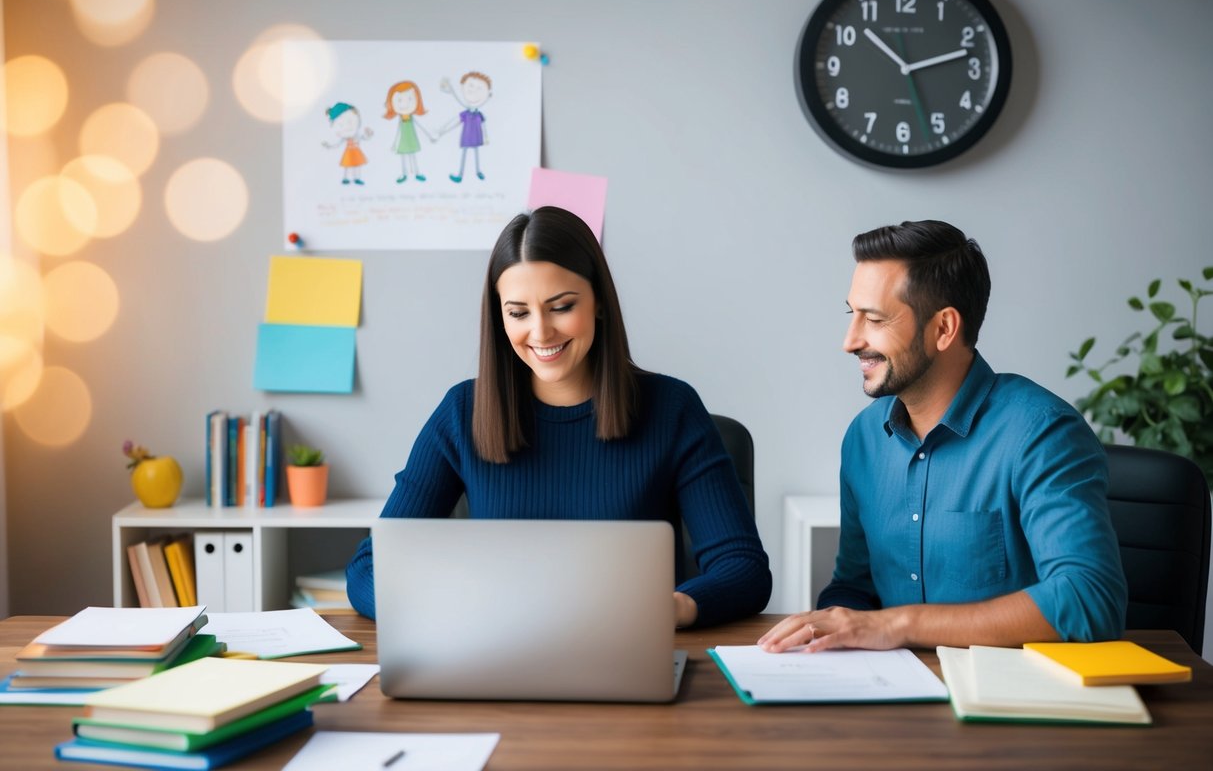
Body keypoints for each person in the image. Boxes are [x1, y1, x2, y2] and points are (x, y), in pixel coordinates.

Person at [347, 206, 772, 627]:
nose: (541, 332)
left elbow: (743, 569)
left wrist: (674, 608)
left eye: (561, 306)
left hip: (625, 654)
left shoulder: (672, 409)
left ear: (599, 303)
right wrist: (441, 610)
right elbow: (370, 567)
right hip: (493, 656)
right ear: (500, 318)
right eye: (518, 312)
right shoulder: (463, 413)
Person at [759, 220, 1126, 653]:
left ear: (944, 329)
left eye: (874, 319)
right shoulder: (863, 438)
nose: (850, 340)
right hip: (891, 695)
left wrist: (900, 625)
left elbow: (1090, 597)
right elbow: (854, 588)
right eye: (851, 314)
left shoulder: (1042, 432)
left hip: (1012, 704)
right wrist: (829, 629)